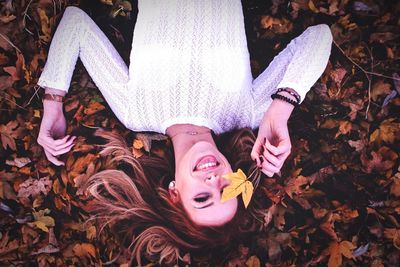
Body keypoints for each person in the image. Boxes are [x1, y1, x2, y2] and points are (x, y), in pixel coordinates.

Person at [36, 1, 332, 264]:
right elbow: (319, 36)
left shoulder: (134, 112)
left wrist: (53, 102)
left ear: (174, 192)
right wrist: (281, 108)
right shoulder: (249, 112)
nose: (214, 180)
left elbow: (75, 23)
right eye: (226, 189)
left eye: (202, 197)